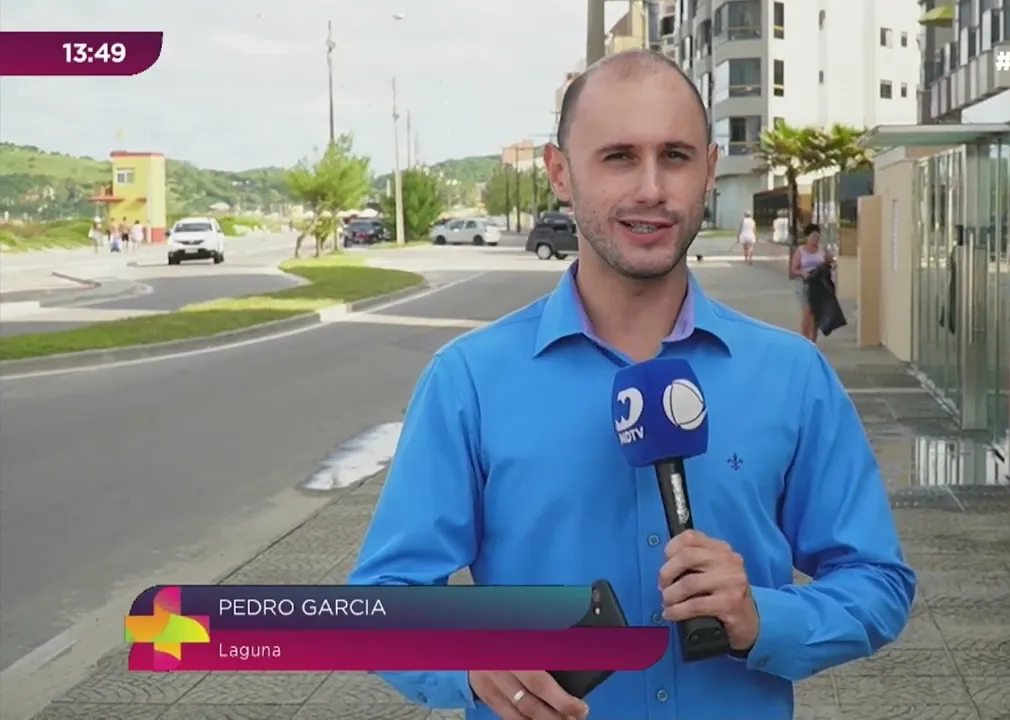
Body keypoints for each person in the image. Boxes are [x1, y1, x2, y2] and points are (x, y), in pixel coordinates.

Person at [348, 49, 914, 720]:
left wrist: (764, 616)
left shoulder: (792, 376)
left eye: (674, 156)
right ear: (561, 173)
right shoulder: (469, 380)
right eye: (618, 157)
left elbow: (876, 582)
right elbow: (382, 600)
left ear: (707, 170)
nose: (651, 188)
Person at [789, 223, 834, 342]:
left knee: (815, 314)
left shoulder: (821, 250)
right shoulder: (800, 251)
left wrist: (830, 259)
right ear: (807, 237)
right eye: (813, 236)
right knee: (807, 312)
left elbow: (830, 262)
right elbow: (793, 269)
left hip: (818, 283)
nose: (816, 239)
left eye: (818, 237)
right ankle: (804, 339)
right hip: (804, 284)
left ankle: (812, 341)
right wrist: (802, 272)